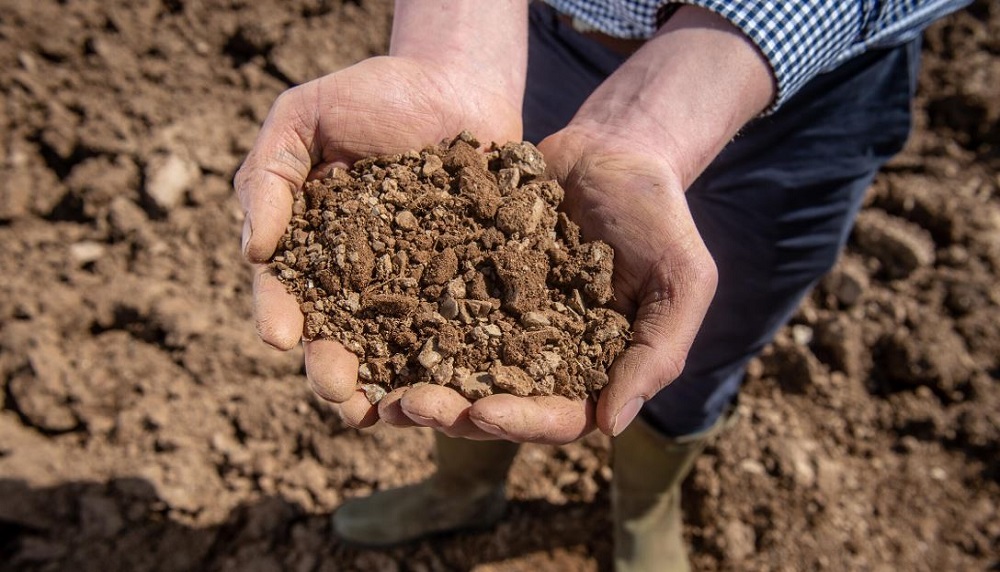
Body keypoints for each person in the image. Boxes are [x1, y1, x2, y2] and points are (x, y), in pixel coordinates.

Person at [235, 1, 971, 569]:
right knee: (465, 395)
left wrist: (658, 113)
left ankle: (643, 504)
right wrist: (447, 55)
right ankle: (464, 488)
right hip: (543, 39)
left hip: (817, 96)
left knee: (700, 330)